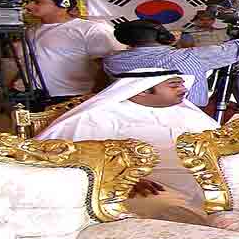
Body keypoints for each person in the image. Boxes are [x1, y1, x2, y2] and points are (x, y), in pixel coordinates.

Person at [35, 68, 216, 224]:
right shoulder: (99, 116)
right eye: (174, 85)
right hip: (144, 185)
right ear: (141, 91)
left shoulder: (186, 111)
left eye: (181, 84)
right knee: (183, 214)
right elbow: (71, 157)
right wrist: (120, 178)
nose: (183, 89)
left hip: (202, 178)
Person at [103, 15, 239, 107]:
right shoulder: (188, 56)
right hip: (187, 117)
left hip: (133, 115)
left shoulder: (111, 61)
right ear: (163, 35)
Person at [23, 0, 124, 102]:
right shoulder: (31, 31)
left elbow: (110, 66)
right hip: (35, 96)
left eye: (37, 2)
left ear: (63, 3)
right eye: (28, 2)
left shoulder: (91, 29)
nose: (29, 6)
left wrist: (95, 95)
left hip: (75, 97)